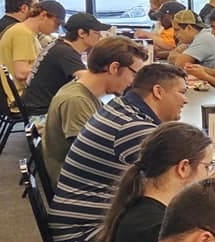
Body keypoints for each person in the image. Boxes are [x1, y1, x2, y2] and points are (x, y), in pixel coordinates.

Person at [48, 63, 215, 242]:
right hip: (88, 238)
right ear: (158, 92)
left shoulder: (121, 107)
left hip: (86, 226)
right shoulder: (134, 129)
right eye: (182, 92)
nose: (186, 100)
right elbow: (181, 186)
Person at [42, 37, 148, 180]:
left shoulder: (84, 90)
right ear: (114, 68)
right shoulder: (77, 101)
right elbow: (88, 157)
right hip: (77, 182)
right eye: (134, 74)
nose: (133, 82)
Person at [21, 12, 112, 116]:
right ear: (82, 33)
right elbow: (90, 83)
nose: (100, 36)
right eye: (96, 32)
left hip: (37, 106)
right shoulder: (65, 53)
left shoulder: (60, 45)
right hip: (42, 113)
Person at [0, 0, 63, 106]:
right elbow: (22, 73)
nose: (57, 29)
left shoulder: (26, 32)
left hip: (28, 94)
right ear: (43, 15)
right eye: (57, 24)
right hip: (25, 98)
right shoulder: (23, 34)